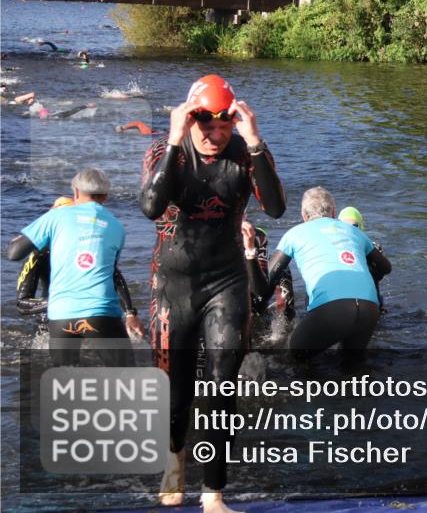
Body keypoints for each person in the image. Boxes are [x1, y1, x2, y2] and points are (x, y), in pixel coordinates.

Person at [140, 74, 285, 512]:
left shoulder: (244, 153)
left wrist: (255, 141)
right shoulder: (166, 150)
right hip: (173, 285)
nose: (215, 137)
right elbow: (150, 206)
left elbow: (275, 207)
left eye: (225, 127)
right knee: (176, 392)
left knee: (222, 387)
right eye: (207, 127)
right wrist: (174, 139)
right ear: (190, 119)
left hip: (227, 281)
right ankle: (174, 467)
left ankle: (213, 494)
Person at [6, 169, 142, 365]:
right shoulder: (117, 227)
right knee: (127, 376)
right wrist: (130, 314)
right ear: (106, 195)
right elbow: (111, 272)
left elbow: (13, 253)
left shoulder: (55, 217)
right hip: (100, 313)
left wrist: (26, 237)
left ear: (76, 192)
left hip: (61, 315)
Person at [247, 187, 390, 361]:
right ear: (334, 212)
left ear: (303, 215)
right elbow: (386, 267)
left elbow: (266, 281)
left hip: (332, 310)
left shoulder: (294, 234)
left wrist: (250, 255)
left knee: (294, 357)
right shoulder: (354, 231)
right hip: (370, 308)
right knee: (352, 365)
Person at [16, 196, 139, 325]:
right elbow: (22, 304)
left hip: (90, 314)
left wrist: (130, 313)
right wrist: (61, 301)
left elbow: (116, 278)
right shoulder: (38, 254)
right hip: (52, 319)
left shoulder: (88, 249)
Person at [337, 206, 389, 312]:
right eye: (345, 226)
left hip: (369, 305)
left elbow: (380, 274)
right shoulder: (331, 250)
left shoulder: (373, 249)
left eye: (354, 226)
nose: (349, 230)